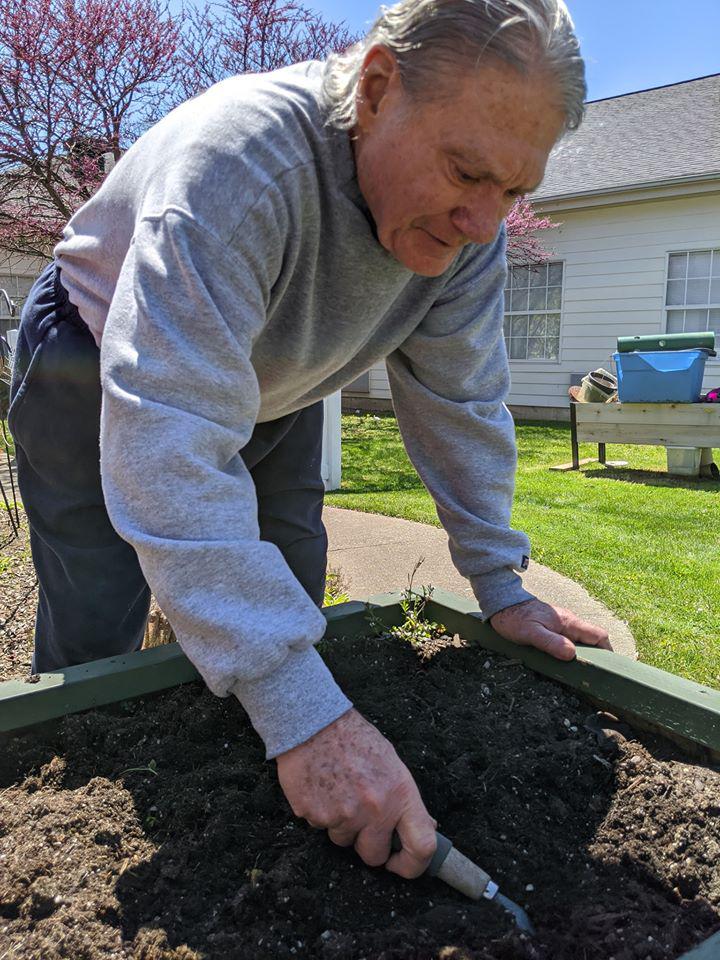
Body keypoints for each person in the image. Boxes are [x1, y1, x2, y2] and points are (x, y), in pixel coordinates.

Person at [8, 0, 611, 880]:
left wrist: (499, 582)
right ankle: (67, 844)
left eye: (514, 192)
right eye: (465, 170)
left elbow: (462, 402)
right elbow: (166, 436)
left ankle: (290, 771)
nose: (484, 223)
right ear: (375, 89)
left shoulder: (468, 236)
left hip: (273, 383)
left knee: (287, 589)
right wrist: (304, 714)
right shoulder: (236, 172)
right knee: (100, 632)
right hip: (94, 360)